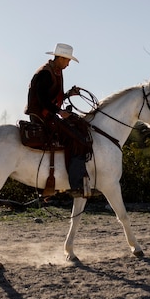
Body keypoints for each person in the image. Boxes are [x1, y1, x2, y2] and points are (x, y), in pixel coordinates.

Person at [25, 43, 90, 196]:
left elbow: (51, 97)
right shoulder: (46, 73)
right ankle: (76, 184)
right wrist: (59, 111)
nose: (68, 64)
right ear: (60, 58)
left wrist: (68, 94)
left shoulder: (56, 71)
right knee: (74, 137)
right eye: (67, 60)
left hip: (47, 113)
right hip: (40, 115)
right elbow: (42, 99)